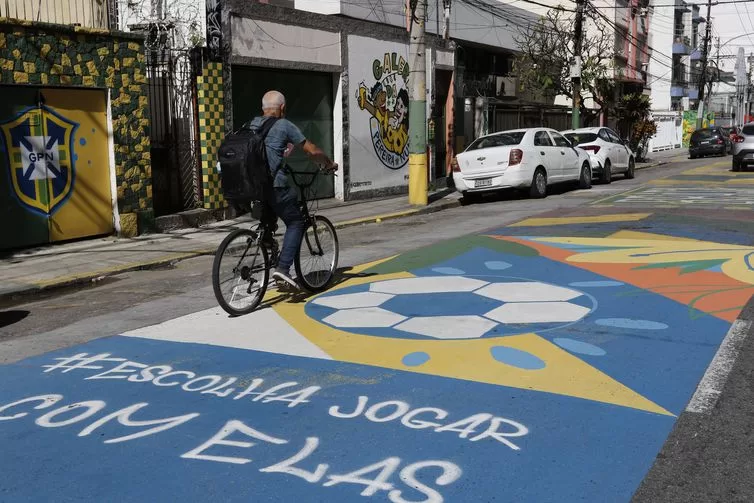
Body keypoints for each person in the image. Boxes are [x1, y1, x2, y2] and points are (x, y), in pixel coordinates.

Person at [245, 90, 337, 289]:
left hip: (251, 187)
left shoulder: (252, 124)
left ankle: (268, 245)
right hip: (274, 185)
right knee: (295, 221)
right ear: (283, 108)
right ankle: (283, 269)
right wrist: (328, 163)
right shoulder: (284, 125)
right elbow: (311, 150)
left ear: (262, 109)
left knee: (269, 221)